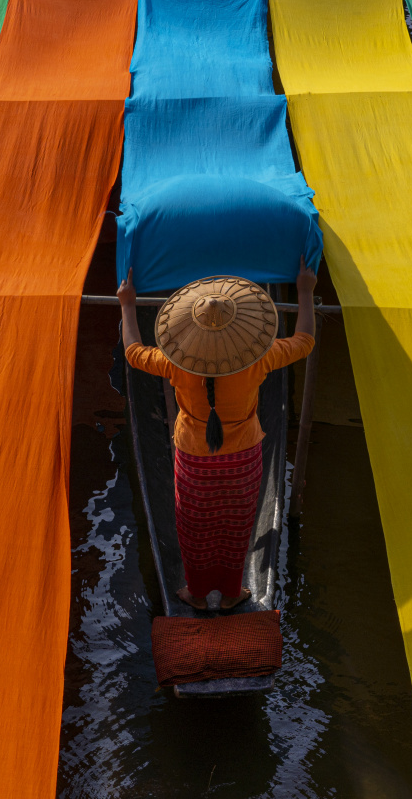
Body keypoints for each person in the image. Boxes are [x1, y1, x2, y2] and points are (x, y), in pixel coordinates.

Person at [118, 257, 317, 611]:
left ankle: (195, 593)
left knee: (195, 528)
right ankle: (230, 594)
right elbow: (303, 341)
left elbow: (133, 352)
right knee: (236, 526)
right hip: (242, 459)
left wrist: (127, 304)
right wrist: (304, 292)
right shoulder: (259, 357)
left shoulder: (175, 362)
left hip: (194, 459)